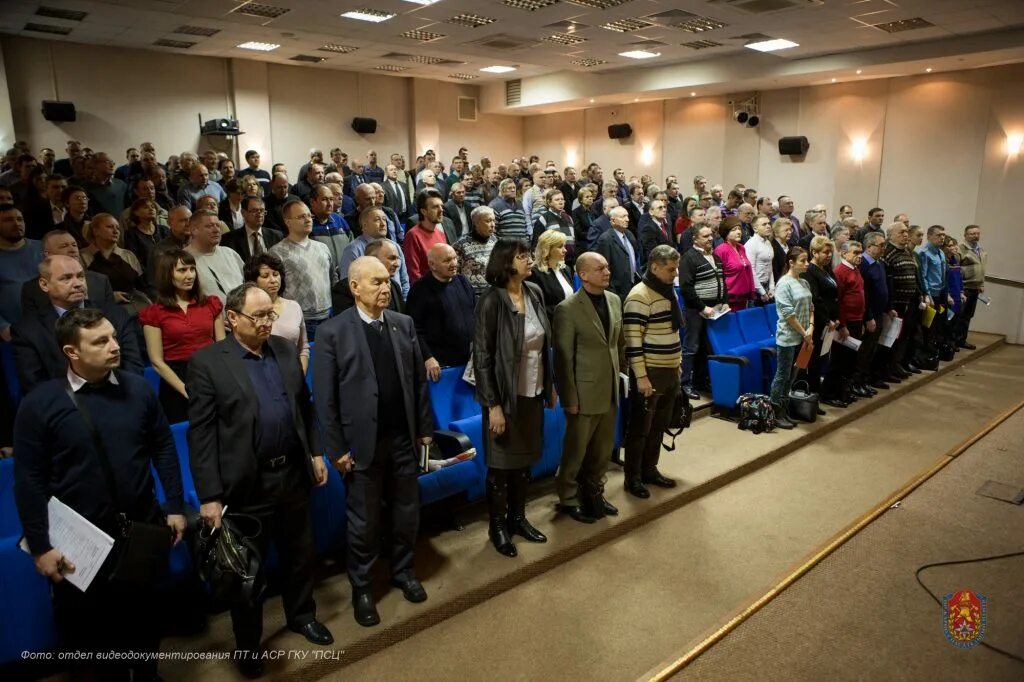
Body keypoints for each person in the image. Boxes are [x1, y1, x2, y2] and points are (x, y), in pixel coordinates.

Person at [14, 308, 185, 681]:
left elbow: (163, 447)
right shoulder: (40, 404)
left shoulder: (138, 388)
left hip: (139, 528)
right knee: (92, 635)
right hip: (80, 542)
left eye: (113, 337)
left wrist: (173, 505)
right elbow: (28, 480)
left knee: (144, 619)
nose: (114, 346)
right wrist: (41, 546)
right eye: (100, 341)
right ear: (71, 352)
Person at [188, 284, 333, 676]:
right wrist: (210, 496)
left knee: (299, 553)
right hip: (246, 485)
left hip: (292, 474)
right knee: (246, 571)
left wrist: (315, 452)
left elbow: (305, 407)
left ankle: (302, 616)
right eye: (260, 316)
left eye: (271, 314)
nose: (269, 322)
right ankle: (249, 645)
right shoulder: (208, 364)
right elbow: (200, 436)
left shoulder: (285, 351)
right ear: (232, 319)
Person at [313, 256, 433, 627]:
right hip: (360, 445)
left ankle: (403, 570)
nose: (386, 288)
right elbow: (325, 399)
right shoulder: (332, 332)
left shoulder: (402, 323)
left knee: (406, 512)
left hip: (401, 438)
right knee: (363, 523)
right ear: (355, 287)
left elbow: (416, 383)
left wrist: (423, 429)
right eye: (377, 282)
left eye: (388, 281)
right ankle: (363, 588)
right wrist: (335, 451)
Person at [473, 238, 555, 557]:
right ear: (507, 263)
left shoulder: (533, 292)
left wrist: (550, 386)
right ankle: (498, 527)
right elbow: (482, 357)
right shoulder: (491, 301)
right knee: (501, 466)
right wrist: (492, 405)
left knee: (524, 463)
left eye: (529, 255)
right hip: (504, 397)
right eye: (523, 256)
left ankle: (518, 518)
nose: (530, 260)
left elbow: (544, 344)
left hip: (533, 391)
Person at [553, 251, 624, 522]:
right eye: (601, 268)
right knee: (576, 450)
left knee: (603, 448)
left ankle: (594, 491)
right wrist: (569, 396)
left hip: (610, 388)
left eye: (607, 267)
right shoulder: (567, 309)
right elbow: (563, 358)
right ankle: (569, 498)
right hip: (582, 392)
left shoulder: (614, 300)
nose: (607, 271)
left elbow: (618, 345)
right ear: (583, 275)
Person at [13, 254, 144, 393]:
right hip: (65, 407)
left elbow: (133, 367)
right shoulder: (28, 330)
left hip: (119, 398)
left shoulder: (115, 315)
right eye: (66, 278)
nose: (78, 283)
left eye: (80, 276)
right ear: (44, 284)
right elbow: (35, 386)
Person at [622, 245, 682, 497]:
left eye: (676, 268)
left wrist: (678, 364)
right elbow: (632, 341)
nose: (675, 274)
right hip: (650, 373)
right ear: (654, 267)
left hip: (669, 369)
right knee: (640, 429)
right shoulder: (639, 295)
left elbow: (673, 331)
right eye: (671, 269)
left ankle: (650, 469)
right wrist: (642, 377)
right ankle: (633, 478)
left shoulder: (668, 292)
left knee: (659, 425)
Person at [140, 249, 225, 423]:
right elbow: (156, 361)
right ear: (167, 275)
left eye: (192, 269)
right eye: (182, 270)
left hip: (211, 373)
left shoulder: (210, 304)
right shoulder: (154, 313)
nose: (189, 275)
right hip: (176, 380)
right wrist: (185, 390)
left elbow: (222, 346)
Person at [269, 199, 338, 341]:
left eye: (309, 215)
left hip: (328, 316)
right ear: (287, 222)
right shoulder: (276, 253)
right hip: (298, 320)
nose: (308, 220)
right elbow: (274, 292)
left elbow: (332, 279)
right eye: (301, 217)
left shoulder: (322, 247)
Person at [406, 243, 476, 381]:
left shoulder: (463, 282)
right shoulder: (419, 290)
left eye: (455, 258)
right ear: (432, 265)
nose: (454, 263)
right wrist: (428, 357)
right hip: (440, 366)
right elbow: (414, 329)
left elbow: (476, 315)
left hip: (469, 361)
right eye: (447, 260)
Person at [679, 225, 726, 400]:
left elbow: (722, 280)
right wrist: (702, 307)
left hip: (714, 310)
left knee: (707, 348)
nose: (709, 238)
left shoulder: (714, 256)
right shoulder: (688, 258)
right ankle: (685, 383)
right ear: (695, 239)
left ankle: (700, 381)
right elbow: (686, 288)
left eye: (711, 235)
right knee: (691, 348)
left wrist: (724, 301)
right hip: (695, 310)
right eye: (705, 236)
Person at [20, 228, 114, 315]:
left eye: (74, 245)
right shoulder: (31, 289)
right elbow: (33, 326)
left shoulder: (101, 281)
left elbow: (114, 317)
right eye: (64, 246)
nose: (72, 249)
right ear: (47, 254)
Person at [770, 247, 814, 430]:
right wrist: (805, 332)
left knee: (793, 376)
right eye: (803, 260)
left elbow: (811, 307)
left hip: (804, 336)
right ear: (791, 262)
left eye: (807, 260)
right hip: (789, 336)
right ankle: (775, 411)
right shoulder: (783, 283)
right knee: (782, 375)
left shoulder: (804, 283)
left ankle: (785, 408)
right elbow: (788, 314)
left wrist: (811, 327)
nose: (807, 264)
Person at [829, 241, 871, 402]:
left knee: (850, 360)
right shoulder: (840, 272)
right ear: (844, 254)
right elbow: (839, 301)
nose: (859, 256)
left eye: (861, 252)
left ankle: (844, 391)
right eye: (855, 253)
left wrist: (861, 320)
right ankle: (832, 394)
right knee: (839, 360)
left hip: (856, 320)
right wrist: (843, 326)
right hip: (845, 323)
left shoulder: (856, 270)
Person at [81, 213, 148, 312]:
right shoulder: (83, 256)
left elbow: (141, 285)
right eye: (110, 227)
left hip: (133, 306)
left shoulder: (128, 255)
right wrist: (109, 296)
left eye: (117, 228)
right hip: (99, 309)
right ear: (95, 231)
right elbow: (83, 290)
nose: (116, 231)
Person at [803, 236, 841, 406]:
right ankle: (811, 400)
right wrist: (826, 320)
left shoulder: (826, 269)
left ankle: (818, 396)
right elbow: (815, 299)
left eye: (830, 252)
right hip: (818, 324)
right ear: (814, 252)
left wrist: (835, 318)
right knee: (813, 363)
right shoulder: (810, 271)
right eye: (825, 252)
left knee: (822, 360)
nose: (829, 255)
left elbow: (834, 296)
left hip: (829, 324)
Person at [0, 204, 44, 340]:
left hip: (49, 326)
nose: (16, 223)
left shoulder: (42, 248)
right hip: (11, 333)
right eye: (8, 220)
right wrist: (2, 327)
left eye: (20, 219)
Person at [185, 208, 245, 304]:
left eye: (217, 225)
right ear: (194, 230)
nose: (216, 230)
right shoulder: (183, 259)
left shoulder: (230, 254)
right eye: (209, 226)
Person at [332, 238, 405, 315]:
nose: (397, 264)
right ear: (373, 258)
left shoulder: (395, 286)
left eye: (397, 259)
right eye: (392, 258)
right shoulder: (344, 289)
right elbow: (347, 322)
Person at [404, 189, 455, 282]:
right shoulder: (413, 235)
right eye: (435, 207)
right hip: (426, 291)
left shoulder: (440, 234)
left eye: (441, 206)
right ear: (423, 211)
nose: (441, 210)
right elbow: (413, 273)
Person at [592, 206, 640, 302]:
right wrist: (610, 290)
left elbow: (635, 257)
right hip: (617, 289)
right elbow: (604, 267)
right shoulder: (605, 239)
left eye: (627, 216)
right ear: (613, 220)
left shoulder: (629, 234)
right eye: (623, 217)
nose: (627, 219)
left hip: (634, 284)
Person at [527, 229, 575, 321]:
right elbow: (537, 307)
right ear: (547, 249)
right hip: (552, 324)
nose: (565, 250)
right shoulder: (534, 273)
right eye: (560, 247)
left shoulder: (565, 269)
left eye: (564, 246)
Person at [221, 195, 284, 263]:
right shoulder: (229, 240)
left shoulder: (277, 236)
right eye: (254, 211)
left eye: (262, 211)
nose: (259, 214)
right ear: (243, 213)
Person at [453, 205, 498, 298]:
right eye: (488, 221)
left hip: (493, 296)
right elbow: (454, 274)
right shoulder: (461, 244)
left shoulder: (495, 241)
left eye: (493, 220)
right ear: (476, 222)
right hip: (471, 298)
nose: (493, 224)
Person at [954, 224, 985, 350]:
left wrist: (981, 283)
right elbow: (956, 268)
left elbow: (981, 268)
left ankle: (962, 339)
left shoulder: (980, 249)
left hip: (975, 287)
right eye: (972, 234)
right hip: (964, 287)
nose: (975, 236)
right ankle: (953, 341)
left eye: (977, 233)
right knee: (959, 315)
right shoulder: (961, 249)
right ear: (965, 235)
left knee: (968, 315)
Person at [714, 218, 755, 311]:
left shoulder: (741, 247)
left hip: (743, 297)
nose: (738, 232)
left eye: (739, 229)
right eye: (734, 230)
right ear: (726, 233)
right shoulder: (721, 250)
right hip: (729, 298)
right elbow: (719, 276)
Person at [123, 198, 170, 269]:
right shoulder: (131, 234)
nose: (151, 209)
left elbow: (173, 252)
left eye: (153, 207)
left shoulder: (164, 230)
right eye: (146, 207)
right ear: (136, 213)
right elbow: (135, 260)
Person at [745, 215, 775, 304]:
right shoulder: (751, 244)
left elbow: (770, 266)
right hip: (755, 287)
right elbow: (751, 270)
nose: (768, 226)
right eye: (764, 224)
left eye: (769, 223)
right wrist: (762, 291)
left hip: (767, 285)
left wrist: (772, 286)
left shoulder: (768, 242)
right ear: (755, 229)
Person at [571, 185, 596, 251]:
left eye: (591, 196)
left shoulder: (594, 211)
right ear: (581, 200)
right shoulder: (576, 212)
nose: (590, 198)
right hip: (583, 243)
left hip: (594, 240)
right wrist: (593, 235)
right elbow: (579, 232)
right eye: (587, 197)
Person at [771, 217, 793, 283]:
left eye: (790, 229)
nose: (789, 232)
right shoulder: (772, 247)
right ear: (776, 232)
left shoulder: (791, 245)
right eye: (786, 230)